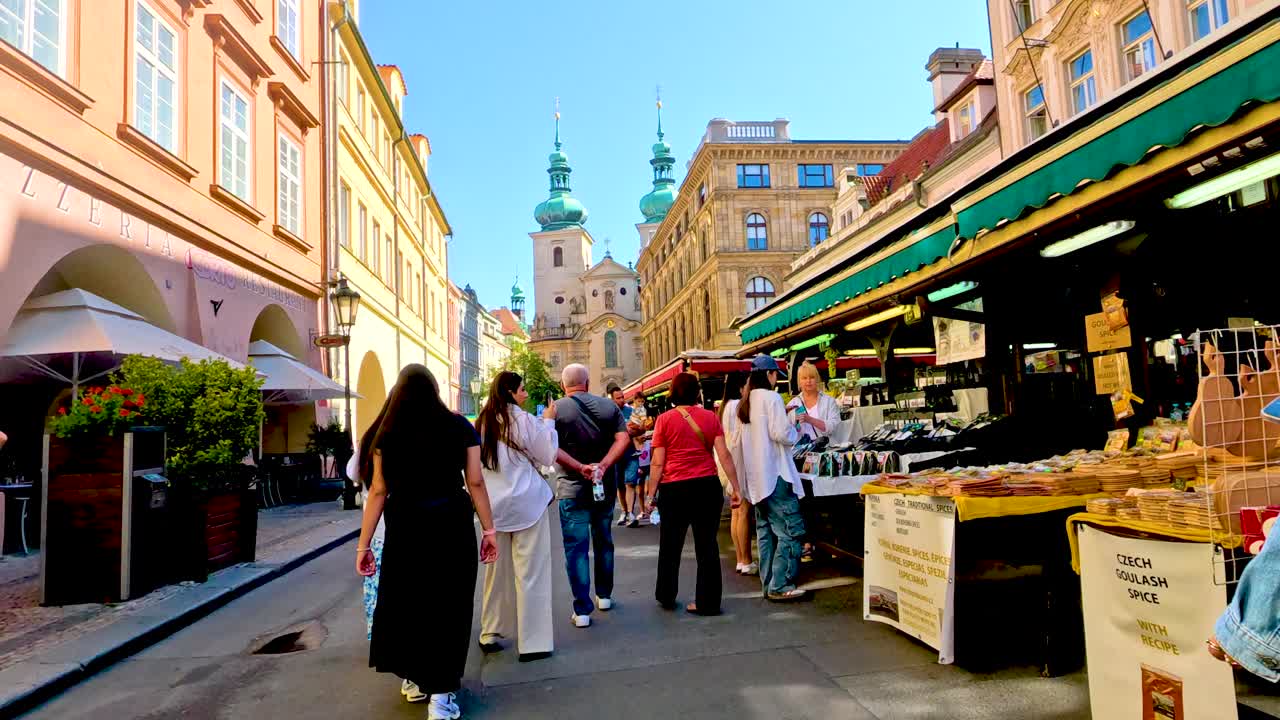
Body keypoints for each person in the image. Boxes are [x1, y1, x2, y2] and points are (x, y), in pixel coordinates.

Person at [356, 365, 499, 720]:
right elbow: (476, 482)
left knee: (411, 603)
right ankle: (442, 695)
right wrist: (489, 530)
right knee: (450, 605)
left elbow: (378, 491)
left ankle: (417, 680)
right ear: (435, 390)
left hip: (406, 526)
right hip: (451, 522)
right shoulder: (458, 426)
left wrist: (364, 545)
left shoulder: (387, 433)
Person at [475, 372, 559, 663]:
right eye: (522, 389)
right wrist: (549, 419)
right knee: (531, 571)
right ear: (510, 392)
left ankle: (490, 630)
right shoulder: (523, 420)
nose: (525, 394)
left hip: (493, 506)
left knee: (495, 573)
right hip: (526, 502)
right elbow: (548, 454)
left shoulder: (482, 422)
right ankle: (533, 641)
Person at [646, 373, 742, 615]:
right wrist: (736, 487)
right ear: (697, 392)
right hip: (706, 487)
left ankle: (666, 595)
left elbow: (657, 462)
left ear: (673, 393)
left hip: (674, 489)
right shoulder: (710, 417)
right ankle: (708, 602)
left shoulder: (664, 420)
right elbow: (724, 454)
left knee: (670, 544)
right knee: (707, 545)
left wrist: (650, 495)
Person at [545, 364, 631, 628]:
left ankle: (582, 610)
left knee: (577, 549)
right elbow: (623, 439)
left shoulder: (556, 409)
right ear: (588, 382)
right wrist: (603, 465)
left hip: (571, 489)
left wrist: (579, 466)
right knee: (604, 540)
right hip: (602, 487)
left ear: (563, 385)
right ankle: (604, 596)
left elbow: (549, 446)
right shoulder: (609, 408)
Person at [737, 356, 808, 602]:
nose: (777, 379)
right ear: (769, 375)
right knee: (790, 531)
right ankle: (781, 583)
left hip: (756, 481)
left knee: (766, 533)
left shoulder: (746, 401)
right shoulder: (772, 398)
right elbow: (781, 434)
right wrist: (795, 425)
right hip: (776, 475)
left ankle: (769, 583)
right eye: (776, 374)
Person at [718, 371, 756, 576]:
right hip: (739, 463)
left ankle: (741, 559)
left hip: (730, 464)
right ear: (741, 386)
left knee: (736, 512)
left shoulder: (726, 406)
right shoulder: (736, 405)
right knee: (743, 511)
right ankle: (746, 559)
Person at [609, 384, 646, 527]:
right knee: (620, 486)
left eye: (623, 397)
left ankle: (631, 513)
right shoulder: (607, 413)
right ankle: (624, 512)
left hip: (631, 453)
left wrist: (634, 432)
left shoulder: (631, 410)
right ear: (611, 399)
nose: (622, 400)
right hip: (616, 455)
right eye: (618, 398)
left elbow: (642, 429)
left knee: (630, 482)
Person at [786, 362, 842, 442]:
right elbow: (788, 431)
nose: (808, 381)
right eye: (804, 378)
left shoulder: (829, 401)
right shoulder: (793, 404)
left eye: (812, 377)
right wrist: (795, 424)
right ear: (800, 381)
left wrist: (810, 419)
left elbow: (834, 427)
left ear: (817, 379)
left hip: (825, 450)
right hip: (802, 452)